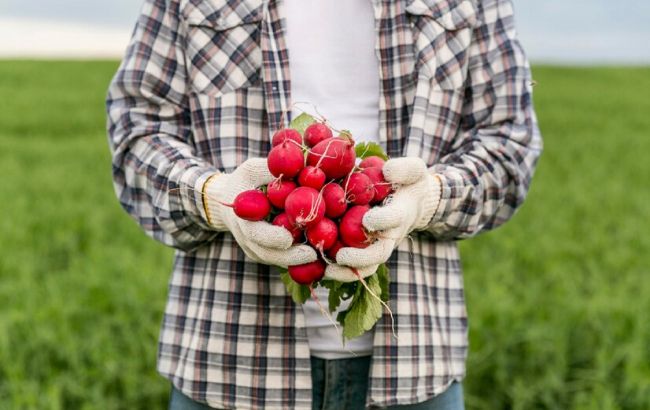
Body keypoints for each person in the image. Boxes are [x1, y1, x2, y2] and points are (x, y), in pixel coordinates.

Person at [106, 0, 541, 408]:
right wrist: (215, 198)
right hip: (227, 366)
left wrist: (429, 199)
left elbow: (509, 142)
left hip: (417, 370)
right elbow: (137, 131)